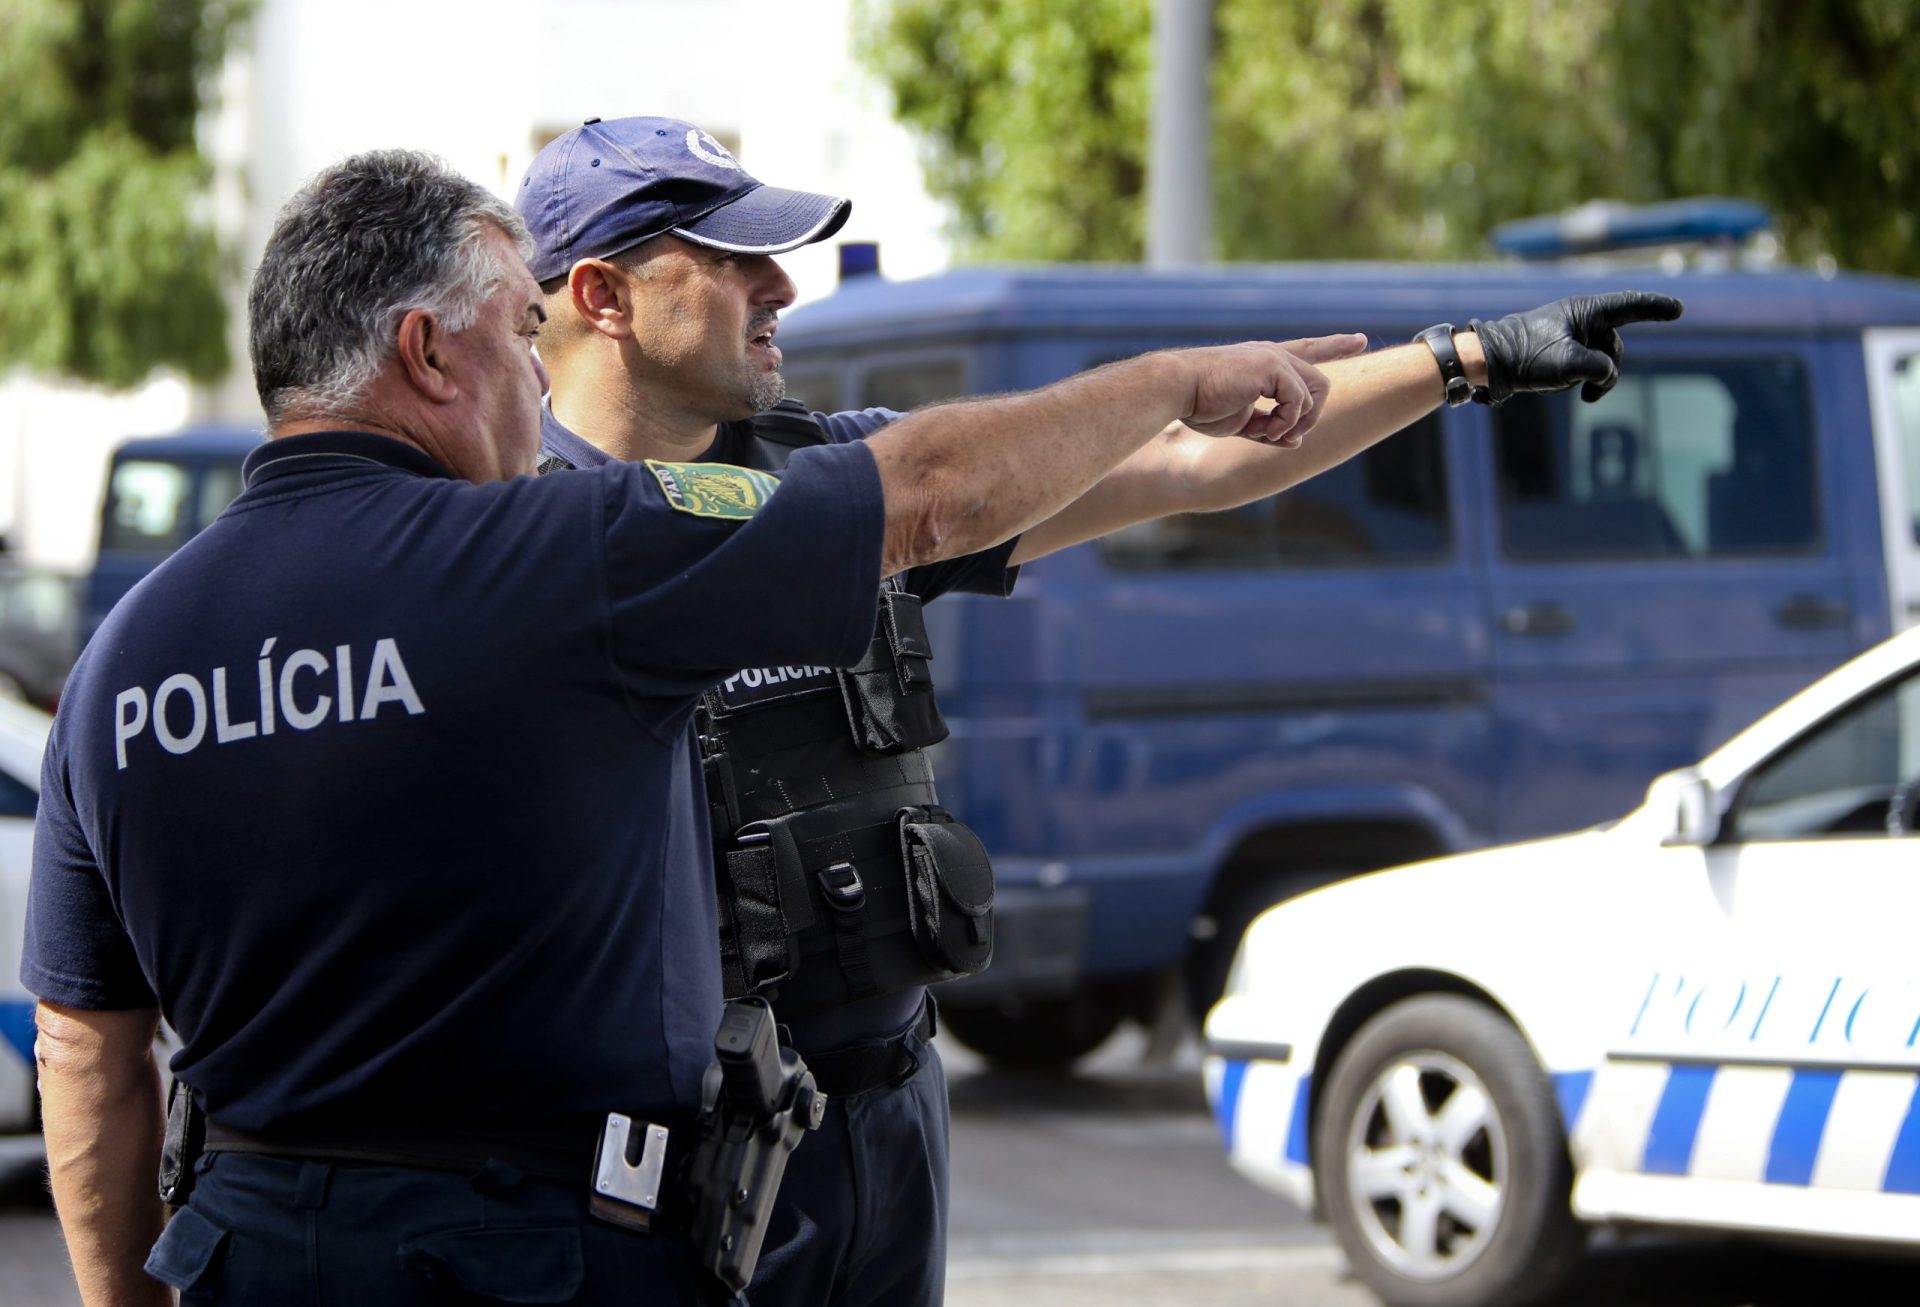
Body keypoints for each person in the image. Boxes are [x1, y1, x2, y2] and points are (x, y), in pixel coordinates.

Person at [21, 145, 1354, 1306]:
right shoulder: (556, 550)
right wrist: (1175, 378)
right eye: (516, 332)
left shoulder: (121, 663)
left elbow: (86, 1043)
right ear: (430, 351)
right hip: (538, 1253)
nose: (539, 386)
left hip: (253, 1252)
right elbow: (930, 496)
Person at [515, 115, 1683, 1307]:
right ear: (603, 293)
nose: (781, 286)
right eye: (729, 260)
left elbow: (1195, 461)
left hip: (882, 1116)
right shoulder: (498, 548)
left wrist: (1464, 359)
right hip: (676, 1157)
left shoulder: (829, 477)